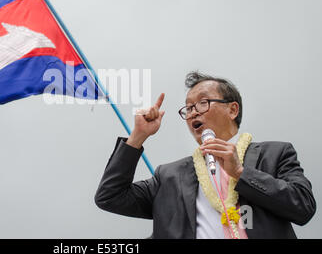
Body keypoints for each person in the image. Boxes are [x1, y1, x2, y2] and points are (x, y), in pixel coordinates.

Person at [94, 71, 316, 238]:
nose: (193, 113)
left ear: (232, 110)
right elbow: (109, 197)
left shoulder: (275, 154)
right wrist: (137, 137)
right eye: (188, 108)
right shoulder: (169, 176)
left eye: (203, 102)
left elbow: (303, 207)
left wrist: (240, 172)